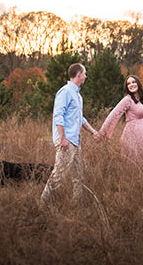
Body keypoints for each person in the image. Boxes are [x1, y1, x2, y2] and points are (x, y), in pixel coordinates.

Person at [40, 63, 100, 205]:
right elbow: (58, 116)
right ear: (78, 74)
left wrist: (93, 132)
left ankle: (76, 204)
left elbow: (81, 119)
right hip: (66, 141)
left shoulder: (78, 96)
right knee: (58, 175)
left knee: (79, 175)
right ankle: (42, 204)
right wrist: (62, 138)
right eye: (84, 73)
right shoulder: (65, 91)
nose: (86, 76)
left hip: (76, 141)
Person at [99, 75, 143, 164]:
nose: (131, 85)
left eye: (133, 82)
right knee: (134, 165)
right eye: (128, 83)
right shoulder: (127, 100)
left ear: (138, 84)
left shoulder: (142, 100)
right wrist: (102, 133)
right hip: (133, 137)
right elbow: (114, 114)